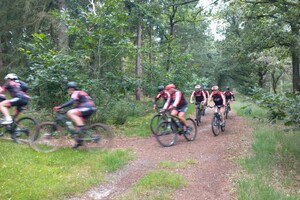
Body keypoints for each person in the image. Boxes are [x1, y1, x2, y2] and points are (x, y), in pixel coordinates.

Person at [53, 82, 96, 148]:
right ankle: (79, 142)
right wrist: (64, 112)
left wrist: (60, 106)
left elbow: (71, 101)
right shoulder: (80, 95)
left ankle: (81, 128)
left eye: (68, 89)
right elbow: (75, 108)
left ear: (71, 89)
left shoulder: (76, 92)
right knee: (77, 124)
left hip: (87, 107)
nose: (68, 91)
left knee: (72, 115)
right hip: (90, 108)